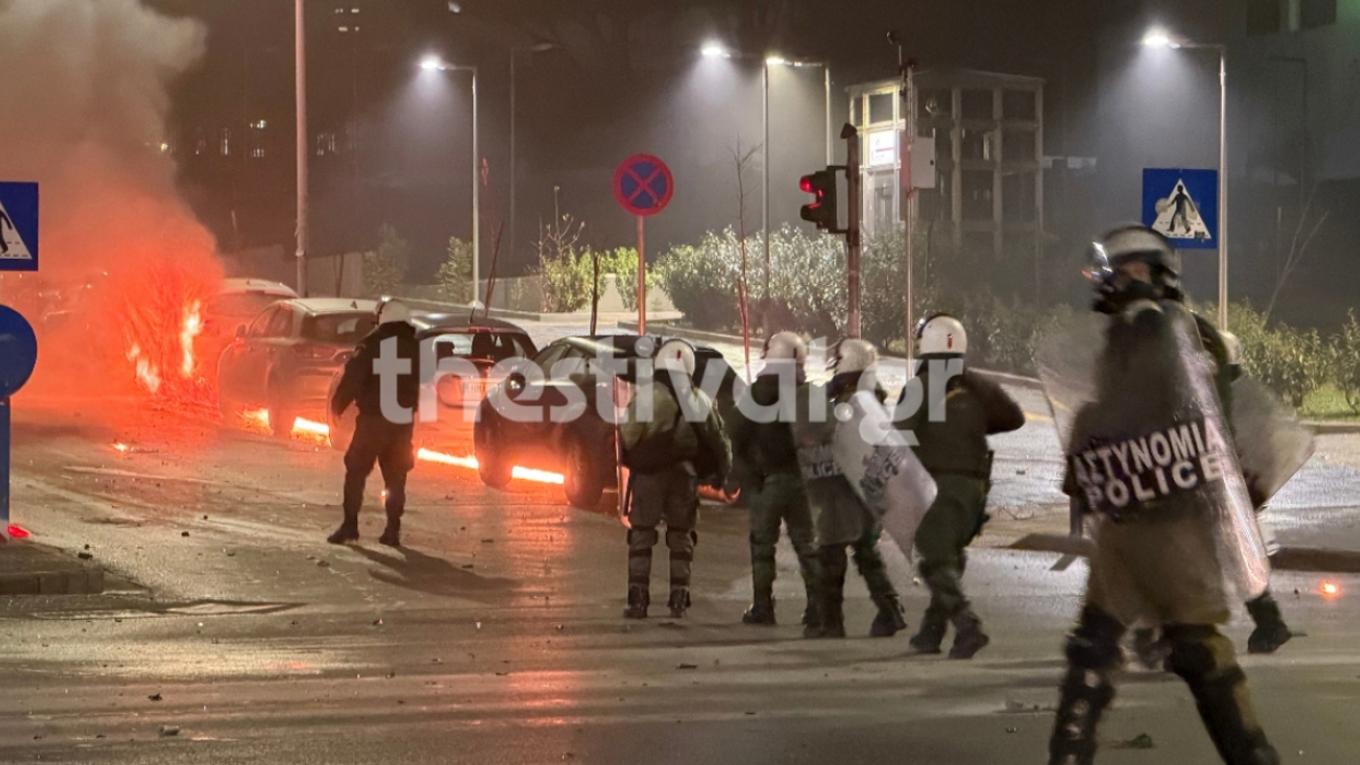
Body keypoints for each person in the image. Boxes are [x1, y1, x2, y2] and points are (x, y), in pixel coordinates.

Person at [1047, 225, 1279, 765]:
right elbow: (1113, 410)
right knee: (1093, 646)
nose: (1120, 281)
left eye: (1132, 270)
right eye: (1118, 271)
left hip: (1177, 520)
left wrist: (1089, 435)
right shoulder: (1126, 335)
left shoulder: (1177, 335)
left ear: (1157, 275)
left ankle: (1253, 756)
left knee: (1197, 649)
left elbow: (1188, 415)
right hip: (1127, 519)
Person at [894, 314, 1023, 659]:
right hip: (974, 490)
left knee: (934, 560)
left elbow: (898, 436)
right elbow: (1014, 417)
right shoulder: (976, 387)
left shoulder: (921, 386)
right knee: (949, 556)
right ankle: (931, 632)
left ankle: (968, 627)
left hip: (937, 487)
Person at [802, 338, 908, 639]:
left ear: (847, 366)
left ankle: (831, 623)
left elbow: (832, 443)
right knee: (865, 552)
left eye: (838, 365)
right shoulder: (873, 401)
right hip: (869, 492)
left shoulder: (849, 405)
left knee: (830, 554)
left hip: (841, 491)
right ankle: (890, 611)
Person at [620, 339, 732, 619]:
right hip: (685, 476)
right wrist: (722, 475)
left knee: (642, 535)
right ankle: (679, 599)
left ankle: (638, 600)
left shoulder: (647, 396)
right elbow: (719, 440)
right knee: (681, 536)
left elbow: (628, 436)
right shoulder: (701, 399)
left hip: (649, 477)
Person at [729, 331, 821, 628]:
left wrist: (745, 474)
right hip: (802, 481)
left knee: (762, 545)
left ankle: (763, 607)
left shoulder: (756, 394)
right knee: (806, 544)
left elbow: (736, 434)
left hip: (766, 481)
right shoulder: (808, 395)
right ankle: (818, 608)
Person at [328, 298, 420, 547]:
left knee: (356, 470)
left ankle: (350, 526)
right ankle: (392, 529)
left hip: (374, 421)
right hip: (401, 422)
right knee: (396, 475)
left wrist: (338, 405)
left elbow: (354, 376)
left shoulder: (371, 343)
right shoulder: (415, 347)